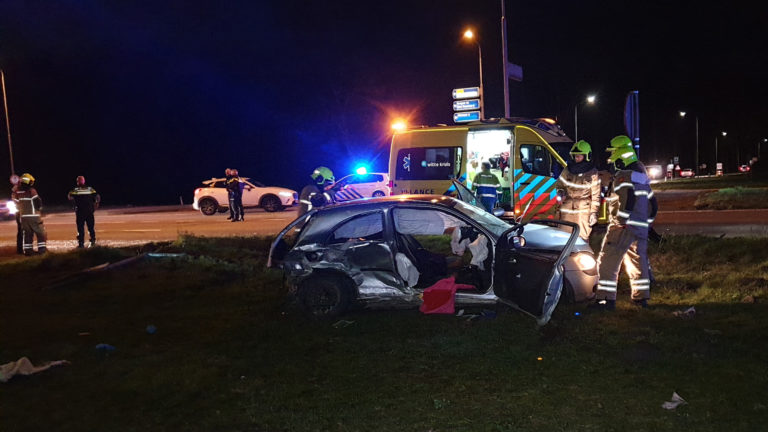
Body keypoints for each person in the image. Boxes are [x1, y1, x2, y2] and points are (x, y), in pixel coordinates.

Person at [593, 135, 658, 310]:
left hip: (623, 227)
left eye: (613, 152)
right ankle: (641, 298)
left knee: (608, 260)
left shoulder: (623, 175)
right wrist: (647, 222)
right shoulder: (642, 176)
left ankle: (605, 300)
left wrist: (621, 220)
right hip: (641, 228)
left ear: (621, 153)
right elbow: (653, 204)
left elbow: (628, 198)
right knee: (638, 262)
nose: (612, 156)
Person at [555, 140, 600, 241]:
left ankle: (582, 256)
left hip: (583, 212)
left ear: (586, 156)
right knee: (564, 239)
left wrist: (593, 213)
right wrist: (560, 191)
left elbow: (596, 196)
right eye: (575, 156)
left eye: (579, 156)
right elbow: (559, 185)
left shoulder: (593, 172)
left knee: (581, 238)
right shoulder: (567, 170)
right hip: (567, 209)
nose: (576, 158)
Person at [12, 173, 47, 256]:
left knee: (27, 235)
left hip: (23, 217)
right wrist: (39, 209)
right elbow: (38, 202)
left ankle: (28, 251)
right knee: (41, 233)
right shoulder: (32, 191)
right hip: (33, 216)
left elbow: (16, 203)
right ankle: (42, 251)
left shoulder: (17, 192)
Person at [67, 175, 101, 248]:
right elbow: (97, 196)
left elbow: (69, 197)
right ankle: (93, 242)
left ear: (78, 182)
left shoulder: (75, 190)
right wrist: (96, 204)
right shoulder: (90, 189)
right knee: (91, 227)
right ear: (84, 181)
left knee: (80, 228)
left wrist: (73, 205)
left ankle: (81, 244)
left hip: (80, 212)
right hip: (89, 211)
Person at [10, 175, 22, 254]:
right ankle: (20, 250)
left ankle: (22, 249)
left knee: (24, 232)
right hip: (20, 213)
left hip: (22, 213)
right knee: (21, 231)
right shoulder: (16, 191)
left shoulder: (18, 190)